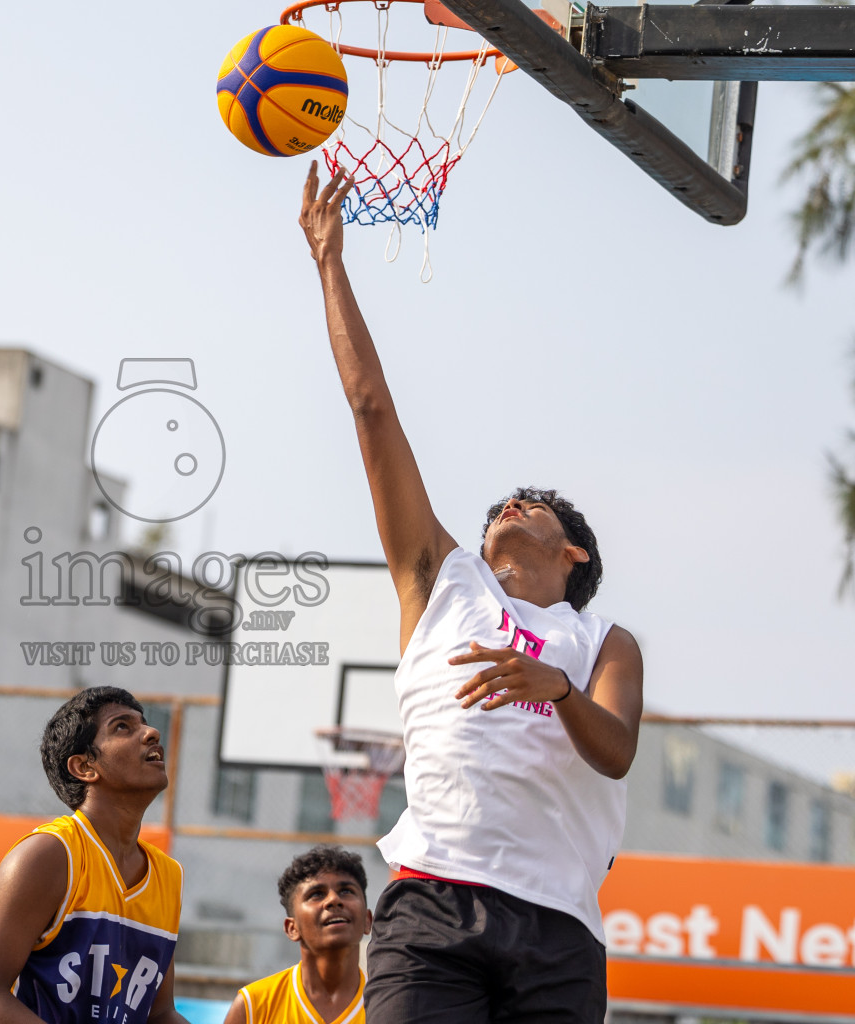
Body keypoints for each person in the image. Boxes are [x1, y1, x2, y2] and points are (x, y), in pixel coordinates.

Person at [298, 163, 645, 1023]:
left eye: (531, 507)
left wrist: (557, 689)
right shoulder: (441, 582)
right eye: (496, 507)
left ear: (573, 551)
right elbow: (371, 407)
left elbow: (616, 752)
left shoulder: (602, 640)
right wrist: (328, 263)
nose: (504, 509)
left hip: (559, 925)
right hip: (435, 902)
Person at [0, 686, 187, 1024]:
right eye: (123, 727)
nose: (151, 733)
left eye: (144, 723)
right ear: (84, 766)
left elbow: (160, 1013)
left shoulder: (167, 875)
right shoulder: (49, 855)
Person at [223, 847, 371, 1024]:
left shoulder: (392, 1005)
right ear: (292, 928)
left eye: (346, 891)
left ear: (367, 921)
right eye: (316, 894)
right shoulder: (253, 1006)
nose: (333, 900)